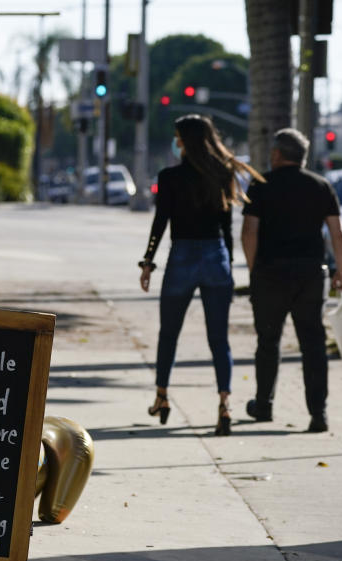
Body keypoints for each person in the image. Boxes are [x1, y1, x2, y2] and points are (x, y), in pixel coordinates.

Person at [139, 114, 264, 435]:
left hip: (182, 255)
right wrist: (229, 262)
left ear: (184, 140)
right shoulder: (220, 173)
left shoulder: (169, 177)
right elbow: (226, 227)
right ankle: (224, 404)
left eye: (177, 136)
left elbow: (160, 223)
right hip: (214, 256)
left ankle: (162, 396)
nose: (175, 140)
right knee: (218, 338)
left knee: (169, 333)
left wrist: (148, 261)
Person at [240, 128, 342, 433]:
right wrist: (341, 270)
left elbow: (249, 231)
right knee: (313, 343)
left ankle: (263, 405)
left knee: (268, 342)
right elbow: (338, 234)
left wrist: (253, 269)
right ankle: (318, 412)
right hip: (310, 274)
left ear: (276, 154)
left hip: (270, 273)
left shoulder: (260, 185)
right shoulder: (321, 186)